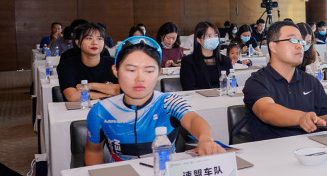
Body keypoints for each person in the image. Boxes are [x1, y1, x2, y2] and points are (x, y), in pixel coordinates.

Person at [84, 36, 223, 165]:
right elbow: (93, 151)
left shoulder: (169, 102)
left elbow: (193, 119)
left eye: (149, 71)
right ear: (116, 71)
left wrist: (205, 139)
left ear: (159, 72)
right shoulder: (101, 110)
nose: (140, 78)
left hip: (164, 174)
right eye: (131, 70)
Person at [243, 20, 327, 141]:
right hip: (274, 149)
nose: (300, 46)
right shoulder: (257, 82)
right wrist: (301, 118)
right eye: (293, 40)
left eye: (301, 41)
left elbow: (325, 115)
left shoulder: (311, 81)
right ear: (273, 46)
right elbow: (267, 111)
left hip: (313, 147)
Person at [56, 22, 119, 102]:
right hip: (79, 109)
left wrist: (90, 86)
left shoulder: (113, 63)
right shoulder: (66, 65)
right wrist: (108, 96)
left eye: (99, 39)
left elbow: (124, 89)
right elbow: (72, 96)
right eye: (89, 38)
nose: (94, 43)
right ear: (78, 43)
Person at [179, 21, 232, 90]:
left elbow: (232, 85)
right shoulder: (188, 62)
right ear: (199, 40)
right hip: (199, 96)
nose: (213, 38)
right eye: (209, 36)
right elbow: (189, 87)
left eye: (216, 35)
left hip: (223, 96)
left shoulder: (226, 60)